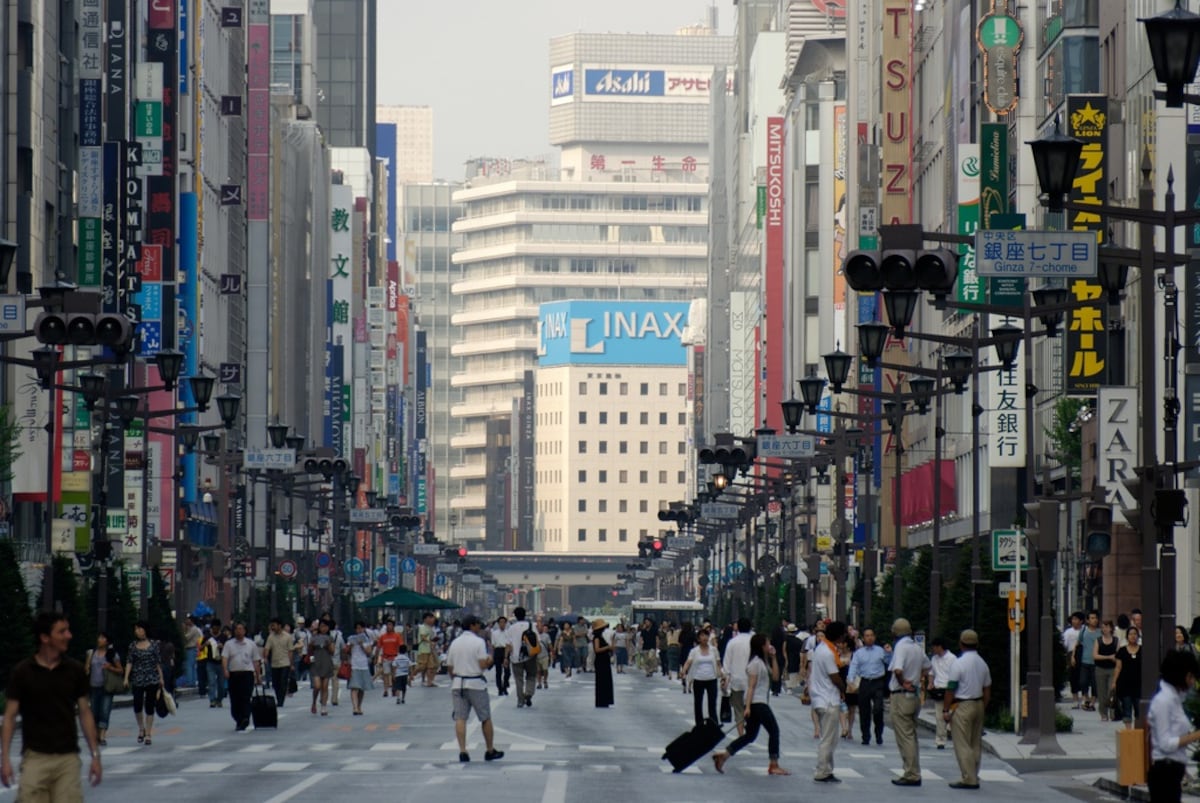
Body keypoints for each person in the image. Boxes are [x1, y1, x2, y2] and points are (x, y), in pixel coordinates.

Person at [1, 611, 103, 800]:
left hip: (68, 759)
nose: (69, 636)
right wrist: (4, 758)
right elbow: (9, 716)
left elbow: (85, 712)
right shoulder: (23, 672)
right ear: (45, 637)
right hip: (35, 758)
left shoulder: (75, 670)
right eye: (62, 632)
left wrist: (95, 755)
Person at [711, 633, 790, 776]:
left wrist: (773, 658)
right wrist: (747, 707)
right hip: (757, 703)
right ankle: (774, 763)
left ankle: (724, 755)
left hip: (758, 702)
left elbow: (776, 677)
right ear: (761, 646)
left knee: (750, 736)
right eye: (767, 643)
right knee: (774, 731)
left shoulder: (763, 662)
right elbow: (751, 687)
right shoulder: (755, 663)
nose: (770, 645)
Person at [446, 615, 504, 763]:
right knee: (485, 717)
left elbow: (450, 667)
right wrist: (490, 658)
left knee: (460, 718)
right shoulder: (478, 642)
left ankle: (463, 751)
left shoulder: (455, 643)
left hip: (458, 683)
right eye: (478, 624)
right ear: (472, 626)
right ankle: (489, 750)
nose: (479, 627)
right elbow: (483, 664)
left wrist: (457, 678)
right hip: (476, 683)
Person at [1148, 649, 1200, 803]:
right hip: (1165, 771)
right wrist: (1195, 736)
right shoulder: (1164, 701)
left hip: (1173, 773)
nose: (1192, 682)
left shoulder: (1176, 699)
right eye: (1190, 676)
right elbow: (1165, 743)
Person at [942, 629, 991, 790]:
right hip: (978, 704)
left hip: (963, 704)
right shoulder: (982, 663)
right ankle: (974, 774)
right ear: (976, 644)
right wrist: (983, 706)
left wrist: (946, 709)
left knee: (962, 743)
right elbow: (987, 689)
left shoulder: (959, 663)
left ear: (961, 644)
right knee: (975, 743)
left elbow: (951, 688)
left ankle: (968, 778)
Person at [887, 618, 925, 785]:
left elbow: (897, 669)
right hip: (914, 695)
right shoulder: (916, 647)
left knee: (905, 736)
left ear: (895, 632)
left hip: (901, 694)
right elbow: (928, 666)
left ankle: (911, 773)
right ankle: (914, 770)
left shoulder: (900, 647)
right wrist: (917, 680)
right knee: (912, 734)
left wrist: (904, 682)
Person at [810, 620, 847, 783]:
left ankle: (827, 769)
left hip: (820, 697)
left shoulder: (821, 649)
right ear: (839, 636)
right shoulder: (828, 652)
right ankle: (822, 770)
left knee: (830, 738)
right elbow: (834, 676)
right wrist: (843, 687)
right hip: (828, 699)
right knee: (828, 739)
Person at [123, 621, 165, 745]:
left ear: (145, 630)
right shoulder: (132, 646)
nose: (137, 631)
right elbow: (129, 662)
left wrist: (161, 678)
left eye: (140, 629)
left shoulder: (153, 645)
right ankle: (141, 728)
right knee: (137, 703)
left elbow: (158, 662)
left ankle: (148, 733)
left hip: (151, 678)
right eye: (136, 629)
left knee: (150, 705)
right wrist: (126, 678)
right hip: (137, 678)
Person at [847, 627, 889, 747]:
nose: (869, 638)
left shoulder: (880, 651)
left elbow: (889, 663)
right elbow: (853, 667)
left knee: (878, 709)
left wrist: (888, 653)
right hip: (865, 682)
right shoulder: (859, 653)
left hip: (878, 682)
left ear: (874, 637)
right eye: (867, 635)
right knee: (864, 711)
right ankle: (865, 736)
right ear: (863, 638)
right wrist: (850, 680)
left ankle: (879, 733)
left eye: (871, 635)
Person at [222, 621, 262, 731]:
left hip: (247, 674)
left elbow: (256, 661)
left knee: (245, 698)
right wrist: (225, 670)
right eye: (236, 629)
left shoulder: (250, 644)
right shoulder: (229, 644)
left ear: (245, 631)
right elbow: (225, 658)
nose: (239, 631)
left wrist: (258, 676)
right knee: (235, 699)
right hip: (234, 674)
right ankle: (238, 718)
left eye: (241, 629)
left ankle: (245, 718)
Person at [681, 626, 723, 726]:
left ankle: (714, 724)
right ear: (698, 639)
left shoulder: (713, 650)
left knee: (712, 704)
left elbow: (718, 663)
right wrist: (683, 671)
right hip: (698, 679)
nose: (704, 638)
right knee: (698, 703)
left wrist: (722, 675)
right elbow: (688, 662)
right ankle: (699, 725)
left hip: (711, 679)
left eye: (706, 635)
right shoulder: (694, 651)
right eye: (702, 636)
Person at [85, 632, 121, 747]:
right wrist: (87, 668)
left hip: (107, 687)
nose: (100, 639)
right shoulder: (92, 653)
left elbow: (120, 670)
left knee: (105, 711)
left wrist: (110, 667)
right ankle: (96, 735)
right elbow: (86, 668)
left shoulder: (112, 654)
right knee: (94, 712)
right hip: (94, 686)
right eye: (99, 637)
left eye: (102, 638)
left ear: (107, 641)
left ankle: (102, 736)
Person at [724, 618, 754, 737]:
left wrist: (725, 679)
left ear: (737, 628)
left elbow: (727, 664)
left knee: (738, 710)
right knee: (751, 708)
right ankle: (750, 731)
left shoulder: (732, 642)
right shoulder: (754, 641)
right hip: (752, 681)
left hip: (736, 680)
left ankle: (741, 734)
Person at [927, 636, 957, 749]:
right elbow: (931, 672)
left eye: (934, 647)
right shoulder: (934, 659)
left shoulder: (952, 658)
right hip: (938, 689)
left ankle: (956, 738)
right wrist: (930, 683)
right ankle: (940, 740)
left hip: (949, 689)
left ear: (940, 647)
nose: (933, 649)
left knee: (952, 716)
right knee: (939, 716)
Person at [506, 607, 538, 708]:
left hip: (516, 657)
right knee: (531, 676)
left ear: (515, 615)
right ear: (525, 614)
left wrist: (506, 658)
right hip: (530, 656)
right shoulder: (532, 626)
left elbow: (508, 645)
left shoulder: (511, 628)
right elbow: (538, 640)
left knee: (519, 679)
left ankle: (520, 700)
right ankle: (528, 693)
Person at [1112, 625, 1143, 728]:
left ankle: (1139, 731)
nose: (1133, 636)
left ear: (1138, 636)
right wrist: (1114, 682)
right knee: (1127, 707)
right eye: (1130, 634)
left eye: (1135, 634)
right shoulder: (1122, 651)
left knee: (1139, 709)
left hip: (1139, 684)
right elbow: (1118, 667)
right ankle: (1128, 731)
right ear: (1127, 636)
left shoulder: (1143, 650)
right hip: (1125, 684)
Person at [345, 621, 375, 715]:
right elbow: (347, 652)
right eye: (357, 628)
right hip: (354, 664)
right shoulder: (351, 639)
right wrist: (350, 647)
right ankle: (354, 707)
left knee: (361, 688)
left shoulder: (367, 639)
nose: (359, 630)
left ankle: (359, 706)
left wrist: (362, 645)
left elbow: (369, 653)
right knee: (354, 687)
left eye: (361, 628)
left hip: (363, 665)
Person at [263, 618, 293, 707]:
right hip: (274, 663)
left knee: (283, 682)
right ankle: (278, 697)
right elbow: (267, 648)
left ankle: (281, 700)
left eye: (274, 625)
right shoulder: (271, 637)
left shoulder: (287, 636)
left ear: (279, 626)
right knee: (275, 683)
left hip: (285, 663)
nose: (272, 627)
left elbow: (290, 651)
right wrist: (265, 657)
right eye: (271, 625)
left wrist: (291, 664)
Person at [307, 619, 336, 715]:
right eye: (322, 626)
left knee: (325, 686)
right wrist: (311, 645)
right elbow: (309, 651)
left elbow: (332, 652)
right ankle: (314, 702)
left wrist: (328, 645)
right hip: (316, 663)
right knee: (317, 686)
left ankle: (324, 706)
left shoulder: (330, 638)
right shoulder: (314, 637)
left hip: (326, 663)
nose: (323, 628)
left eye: (325, 626)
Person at [1093, 619, 1118, 722]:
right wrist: (1108, 657)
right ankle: (1103, 714)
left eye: (1107, 627)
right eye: (1103, 627)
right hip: (1100, 669)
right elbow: (1095, 655)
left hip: (1112, 669)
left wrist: (1114, 658)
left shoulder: (1116, 640)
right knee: (1101, 693)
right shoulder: (1098, 640)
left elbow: (1118, 655)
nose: (1105, 629)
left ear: (1111, 628)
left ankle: (1113, 713)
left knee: (1111, 692)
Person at [1077, 610, 1101, 711]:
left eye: (1095, 618)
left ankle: (1092, 702)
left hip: (1096, 662)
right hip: (1084, 661)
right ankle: (1085, 698)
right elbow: (1078, 643)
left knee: (1095, 683)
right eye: (1092, 618)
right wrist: (1073, 655)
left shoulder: (1100, 632)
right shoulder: (1083, 631)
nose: (1094, 620)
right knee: (1083, 681)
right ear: (1087, 620)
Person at [376, 620, 403, 698]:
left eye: (390, 625)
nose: (388, 627)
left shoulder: (397, 636)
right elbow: (378, 647)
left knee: (394, 675)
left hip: (394, 657)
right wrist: (376, 657)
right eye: (387, 625)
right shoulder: (383, 637)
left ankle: (394, 688)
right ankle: (385, 690)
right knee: (386, 674)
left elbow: (400, 646)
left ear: (393, 626)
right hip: (386, 657)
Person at [1062, 612, 1083, 708]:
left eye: (1076, 619)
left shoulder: (1084, 630)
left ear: (1081, 621)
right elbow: (1065, 645)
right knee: (1073, 677)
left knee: (1083, 678)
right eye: (1073, 619)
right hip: (1071, 655)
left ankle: (1084, 699)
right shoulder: (1068, 632)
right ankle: (1075, 699)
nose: (1074, 621)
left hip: (1083, 654)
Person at [592, 618, 614, 708]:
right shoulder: (597, 638)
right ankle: (602, 700)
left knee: (606, 681)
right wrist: (608, 647)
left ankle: (605, 700)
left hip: (604, 660)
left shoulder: (601, 637)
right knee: (602, 681)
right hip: (600, 661)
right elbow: (597, 649)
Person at [415, 612, 439, 687]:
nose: (432, 620)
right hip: (424, 649)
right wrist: (431, 642)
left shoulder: (430, 628)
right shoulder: (422, 627)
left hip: (430, 649)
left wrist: (434, 641)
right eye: (430, 618)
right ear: (425, 619)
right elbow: (423, 637)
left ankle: (429, 681)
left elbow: (431, 638)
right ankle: (411, 675)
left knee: (432, 666)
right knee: (422, 666)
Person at [204, 622, 225, 708]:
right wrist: (205, 644)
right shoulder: (207, 636)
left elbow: (228, 647)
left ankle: (219, 699)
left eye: (217, 628)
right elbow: (200, 647)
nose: (215, 630)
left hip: (220, 662)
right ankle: (212, 700)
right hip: (210, 662)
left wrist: (222, 646)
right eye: (214, 628)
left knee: (221, 684)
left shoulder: (223, 637)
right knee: (211, 681)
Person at [490, 616, 511, 693]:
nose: (502, 624)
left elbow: (508, 645)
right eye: (500, 622)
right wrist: (492, 656)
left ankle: (505, 686)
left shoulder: (508, 633)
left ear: (506, 623)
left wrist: (506, 656)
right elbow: (493, 645)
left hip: (505, 651)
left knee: (507, 672)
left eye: (504, 622)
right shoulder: (494, 633)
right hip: (498, 651)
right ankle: (499, 688)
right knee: (498, 672)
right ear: (498, 624)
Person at [328, 619, 345, 705]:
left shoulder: (326, 635)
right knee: (335, 680)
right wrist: (343, 659)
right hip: (336, 660)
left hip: (326, 661)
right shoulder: (339, 635)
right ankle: (334, 699)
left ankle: (324, 697)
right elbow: (343, 647)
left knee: (325, 680)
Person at [182, 616, 202, 688]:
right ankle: (192, 682)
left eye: (188, 619)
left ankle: (190, 682)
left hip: (191, 648)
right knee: (192, 666)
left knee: (189, 666)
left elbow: (186, 638)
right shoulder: (193, 629)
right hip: (193, 649)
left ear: (191, 621)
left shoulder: (193, 629)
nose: (187, 621)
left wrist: (184, 630)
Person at [536, 623, 553, 689]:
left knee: (545, 669)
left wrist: (552, 652)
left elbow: (549, 645)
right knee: (538, 670)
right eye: (538, 627)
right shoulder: (534, 636)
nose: (540, 628)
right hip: (536, 656)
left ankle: (545, 681)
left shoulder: (546, 636)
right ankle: (539, 683)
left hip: (545, 655)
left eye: (541, 627)